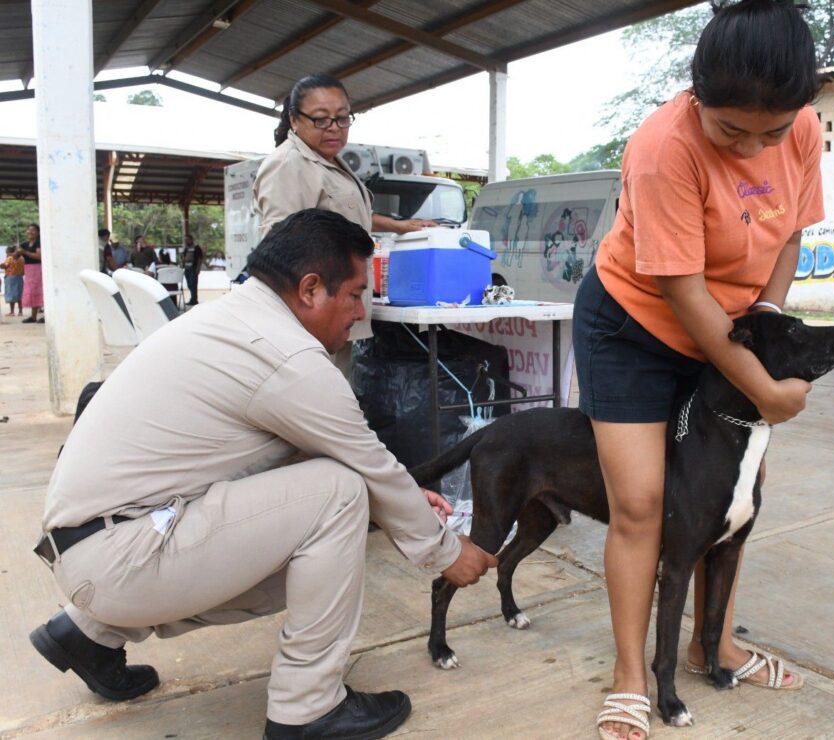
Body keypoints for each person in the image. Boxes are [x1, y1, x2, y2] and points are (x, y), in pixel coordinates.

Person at [29, 209, 497, 739]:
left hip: (95, 546)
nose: (361, 311)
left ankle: (88, 634)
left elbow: (327, 460)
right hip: (121, 556)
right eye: (355, 294)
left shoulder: (235, 320)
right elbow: (367, 464)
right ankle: (308, 708)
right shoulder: (287, 356)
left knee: (335, 504)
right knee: (341, 496)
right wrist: (448, 552)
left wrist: (404, 497)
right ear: (310, 289)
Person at [573, 3, 824, 737]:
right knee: (643, 503)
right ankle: (628, 676)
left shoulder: (802, 129)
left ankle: (713, 644)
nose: (753, 148)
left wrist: (766, 331)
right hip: (635, 325)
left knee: (735, 496)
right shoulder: (662, 148)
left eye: (771, 133)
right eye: (731, 131)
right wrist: (762, 386)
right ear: (696, 98)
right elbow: (681, 291)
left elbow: (789, 236)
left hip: (729, 327)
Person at [253, 74, 437, 351]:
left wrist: (399, 226)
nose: (334, 128)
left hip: (335, 310)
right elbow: (280, 247)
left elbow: (343, 219)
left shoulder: (328, 161)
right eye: (321, 119)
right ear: (294, 119)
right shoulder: (288, 165)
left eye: (342, 118)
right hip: (313, 320)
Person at [17, 223, 43, 324]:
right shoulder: (24, 244)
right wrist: (17, 252)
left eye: (33, 230)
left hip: (38, 268)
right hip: (29, 270)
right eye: (29, 230)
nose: (30, 232)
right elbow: (15, 256)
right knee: (33, 292)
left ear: (38, 232)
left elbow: (39, 256)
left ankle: (46, 315)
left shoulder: (39, 243)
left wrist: (25, 252)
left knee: (41, 291)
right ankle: (33, 316)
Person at [181, 233, 203, 306]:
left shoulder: (196, 248)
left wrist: (198, 268)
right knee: (189, 285)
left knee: (193, 284)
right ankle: (192, 298)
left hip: (193, 269)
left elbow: (200, 259)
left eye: (187, 240)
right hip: (187, 269)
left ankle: (194, 299)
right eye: (185, 240)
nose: (186, 241)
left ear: (191, 240)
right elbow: (183, 257)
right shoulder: (186, 248)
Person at [3, 245, 25, 316]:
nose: (6, 254)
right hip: (20, 278)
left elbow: (5, 266)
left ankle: (12, 312)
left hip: (10, 278)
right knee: (19, 294)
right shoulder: (22, 258)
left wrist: (1, 265)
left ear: (9, 252)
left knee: (11, 294)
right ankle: (20, 312)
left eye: (7, 252)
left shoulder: (9, 258)